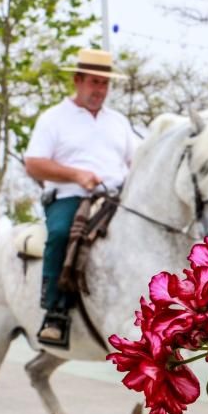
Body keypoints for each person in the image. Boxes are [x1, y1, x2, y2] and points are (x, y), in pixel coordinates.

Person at [24, 48, 140, 345]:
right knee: (63, 234)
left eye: (104, 84)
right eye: (94, 82)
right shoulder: (53, 118)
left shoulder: (118, 121)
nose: (100, 90)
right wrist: (77, 175)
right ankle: (55, 312)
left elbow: (136, 161)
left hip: (115, 198)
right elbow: (34, 163)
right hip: (69, 196)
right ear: (77, 80)